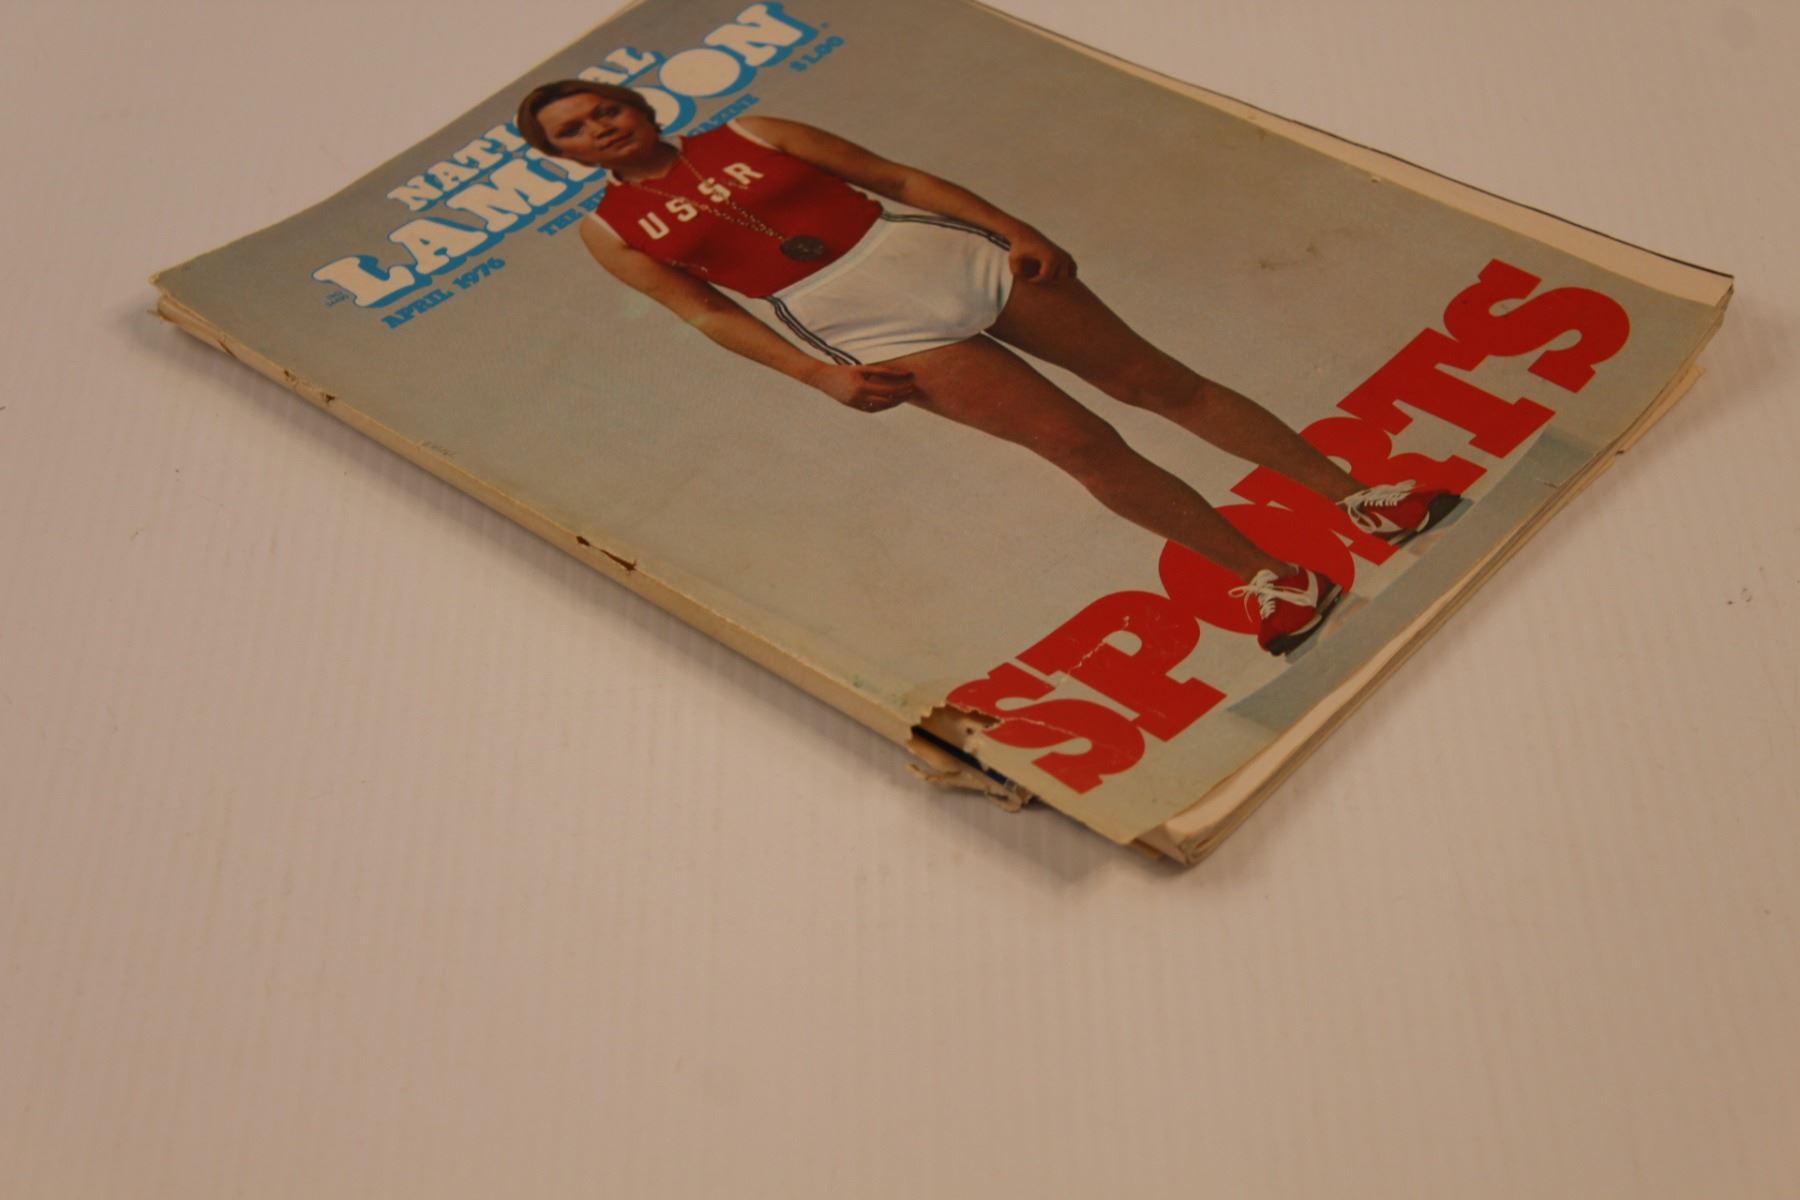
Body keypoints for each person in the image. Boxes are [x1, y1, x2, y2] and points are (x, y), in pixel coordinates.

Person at [514, 81, 1460, 655]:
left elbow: (901, 180)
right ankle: (1275, 579)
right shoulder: (609, 231)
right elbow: (705, 313)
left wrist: (1014, 228)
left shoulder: (755, 131)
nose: (600, 128)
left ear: (639, 107)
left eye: (606, 109)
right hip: (865, 323)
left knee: (1158, 384)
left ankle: (1361, 500)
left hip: (939, 256)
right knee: (1080, 447)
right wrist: (816, 376)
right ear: (559, 156)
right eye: (575, 131)